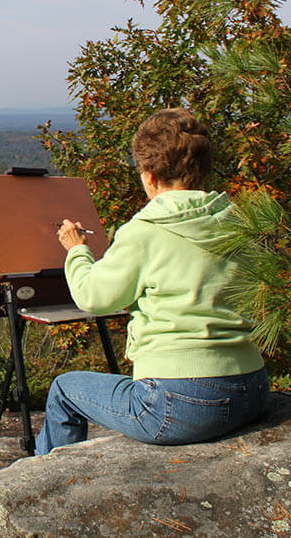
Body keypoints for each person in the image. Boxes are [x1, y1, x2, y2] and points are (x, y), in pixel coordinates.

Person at [35, 108, 268, 455]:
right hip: (253, 388)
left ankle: (43, 490)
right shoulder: (238, 220)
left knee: (65, 390)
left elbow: (92, 296)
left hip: (181, 405)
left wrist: (76, 250)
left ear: (149, 177)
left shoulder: (145, 232)